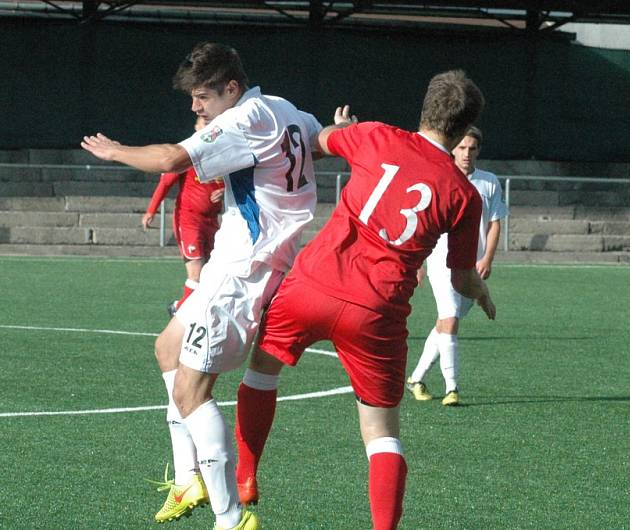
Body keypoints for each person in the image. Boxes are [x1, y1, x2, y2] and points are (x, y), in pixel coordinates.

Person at [81, 41, 338, 530]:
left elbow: (173, 159)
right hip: (232, 264)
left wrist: (114, 151)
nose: (196, 108)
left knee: (191, 390)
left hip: (244, 272)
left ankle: (231, 518)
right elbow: (319, 141)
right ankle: (189, 479)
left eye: (202, 97)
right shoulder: (283, 108)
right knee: (166, 349)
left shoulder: (243, 119)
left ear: (232, 88)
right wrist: (341, 134)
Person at [232, 69, 496, 530]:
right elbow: (459, 277)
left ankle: (246, 475)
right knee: (382, 435)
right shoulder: (464, 194)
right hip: (376, 312)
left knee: (261, 372)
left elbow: (324, 140)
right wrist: (484, 291)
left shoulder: (374, 136)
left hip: (311, 286)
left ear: (425, 107)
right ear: (461, 131)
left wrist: (342, 126)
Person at [406, 126, 509, 406]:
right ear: (453, 147)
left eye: (472, 148)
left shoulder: (489, 182)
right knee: (450, 321)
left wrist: (487, 257)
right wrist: (418, 261)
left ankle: (416, 378)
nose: (466, 153)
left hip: (471, 263)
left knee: (445, 323)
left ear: (478, 150)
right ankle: (453, 388)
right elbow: (422, 221)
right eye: (461, 147)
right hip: (442, 259)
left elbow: (494, 222)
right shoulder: (439, 177)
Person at [141, 116, 225, 316]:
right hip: (189, 220)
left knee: (211, 274)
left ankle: (180, 307)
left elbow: (233, 185)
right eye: (204, 123)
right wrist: (151, 210)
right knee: (196, 273)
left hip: (213, 222)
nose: (208, 127)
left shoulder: (223, 154)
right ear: (196, 127)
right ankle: (183, 313)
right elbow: (166, 182)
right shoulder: (187, 153)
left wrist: (225, 192)